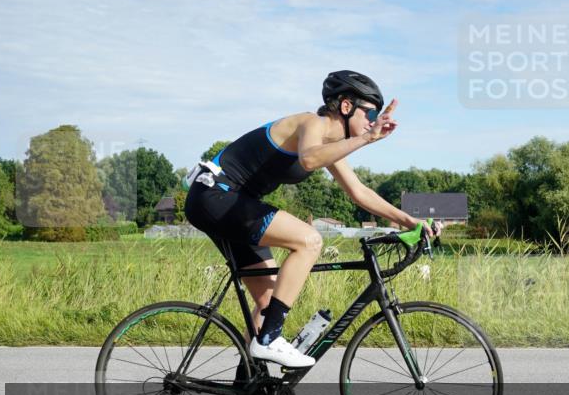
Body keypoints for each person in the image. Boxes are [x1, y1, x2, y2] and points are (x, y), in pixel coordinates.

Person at [184, 70, 440, 368]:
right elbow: (308, 159)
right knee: (309, 240)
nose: (373, 120)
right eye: (370, 112)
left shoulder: (330, 147)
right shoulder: (311, 123)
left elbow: (359, 192)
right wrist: (369, 138)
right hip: (216, 195)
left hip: (231, 203)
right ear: (346, 107)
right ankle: (269, 340)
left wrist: (411, 222)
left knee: (267, 301)